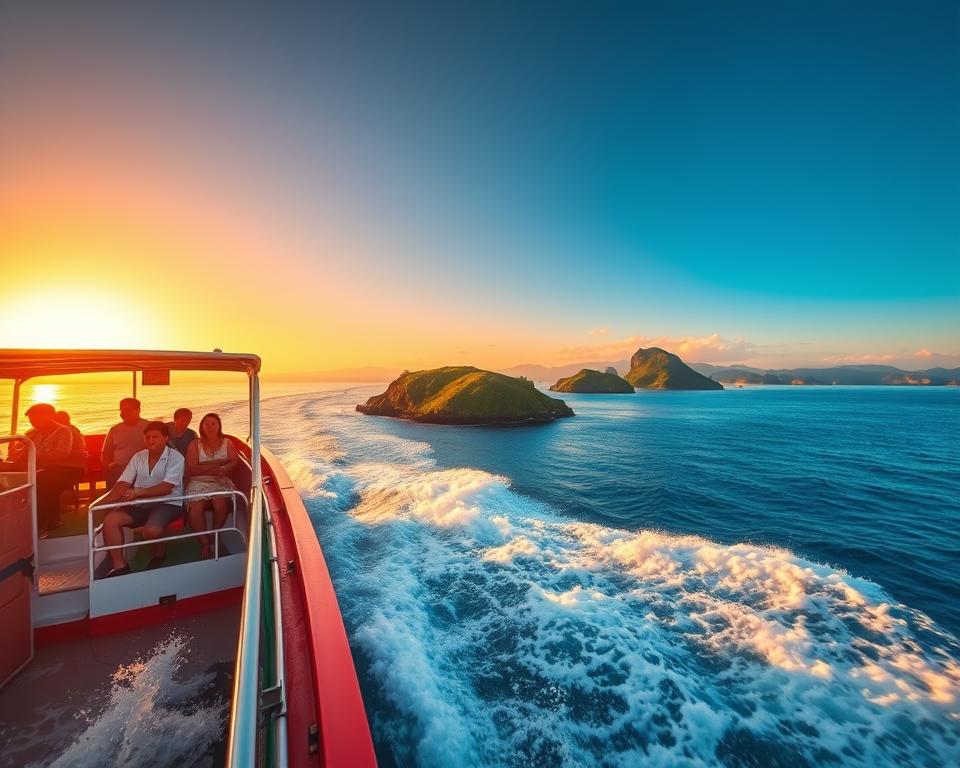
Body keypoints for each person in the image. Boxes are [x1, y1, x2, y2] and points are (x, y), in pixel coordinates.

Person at [99, 421, 185, 577]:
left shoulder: (176, 457)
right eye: (147, 437)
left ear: (165, 438)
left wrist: (137, 492)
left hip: (168, 502)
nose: (150, 440)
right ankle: (120, 566)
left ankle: (160, 553)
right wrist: (107, 501)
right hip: (141, 503)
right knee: (111, 520)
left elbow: (166, 488)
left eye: (155, 437)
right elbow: (123, 482)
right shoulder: (138, 457)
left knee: (150, 531)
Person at [2, 403, 83, 534]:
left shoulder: (64, 431)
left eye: (35, 418)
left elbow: (61, 455)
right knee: (8, 472)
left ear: (49, 416)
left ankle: (47, 519)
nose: (32, 422)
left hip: (66, 468)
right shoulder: (34, 434)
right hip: (40, 467)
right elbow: (21, 453)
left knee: (44, 479)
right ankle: (14, 512)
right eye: (31, 420)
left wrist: (32, 456)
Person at [185, 412, 239, 560]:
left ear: (219, 426)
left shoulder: (227, 442)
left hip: (220, 479)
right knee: (195, 507)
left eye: (213, 424)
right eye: (206, 424)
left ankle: (215, 535)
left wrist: (224, 469)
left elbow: (234, 461)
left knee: (219, 502)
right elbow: (191, 468)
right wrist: (214, 466)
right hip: (199, 480)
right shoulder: (195, 444)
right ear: (202, 426)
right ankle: (204, 542)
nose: (210, 427)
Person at [101, 398, 148, 487]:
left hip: (144, 469)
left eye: (127, 410)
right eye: (121, 410)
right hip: (119, 469)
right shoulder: (115, 430)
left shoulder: (149, 427)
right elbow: (106, 453)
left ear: (138, 410)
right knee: (114, 494)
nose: (123, 413)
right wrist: (106, 471)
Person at [54, 410, 90, 476]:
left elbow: (61, 454)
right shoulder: (73, 429)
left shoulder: (66, 431)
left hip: (71, 465)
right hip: (77, 463)